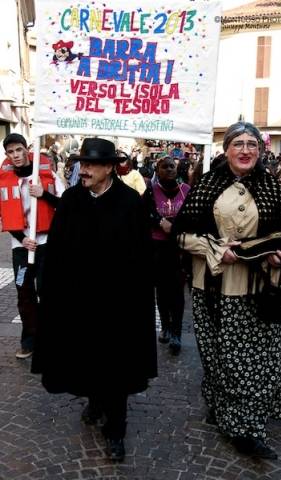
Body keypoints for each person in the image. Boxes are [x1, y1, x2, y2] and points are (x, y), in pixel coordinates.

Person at [172, 122, 281, 460]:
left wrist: (280, 254)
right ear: (226, 150)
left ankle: (247, 430)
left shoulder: (273, 188)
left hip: (257, 290)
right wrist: (214, 248)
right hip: (212, 288)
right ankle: (220, 407)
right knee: (218, 357)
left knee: (250, 362)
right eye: (238, 144)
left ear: (260, 151)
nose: (246, 150)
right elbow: (181, 235)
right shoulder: (206, 185)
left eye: (252, 144)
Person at [31, 137, 157, 462]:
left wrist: (133, 300)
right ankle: (96, 401)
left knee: (115, 367)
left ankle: (116, 430)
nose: (82, 170)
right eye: (81, 164)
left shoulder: (130, 202)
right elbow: (58, 250)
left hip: (117, 306)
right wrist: (51, 289)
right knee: (85, 359)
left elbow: (142, 259)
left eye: (89, 164)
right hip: (79, 303)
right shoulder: (72, 199)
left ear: (109, 168)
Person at [0, 133, 65, 359]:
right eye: (10, 152)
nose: (16, 155)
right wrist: (21, 238)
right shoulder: (4, 180)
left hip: (46, 245)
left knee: (48, 292)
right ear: (7, 155)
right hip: (21, 248)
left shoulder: (47, 174)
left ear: (27, 149)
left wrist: (43, 194)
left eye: (19, 150)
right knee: (24, 293)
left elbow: (65, 206)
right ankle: (29, 340)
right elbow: (4, 215)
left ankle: (51, 339)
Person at [143, 156, 190, 355]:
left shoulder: (186, 190)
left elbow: (192, 215)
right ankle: (166, 326)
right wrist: (159, 221)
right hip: (158, 248)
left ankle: (177, 333)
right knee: (162, 291)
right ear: (158, 170)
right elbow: (143, 213)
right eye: (165, 167)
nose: (170, 170)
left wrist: (175, 226)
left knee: (177, 292)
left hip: (179, 248)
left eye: (172, 166)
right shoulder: (151, 191)